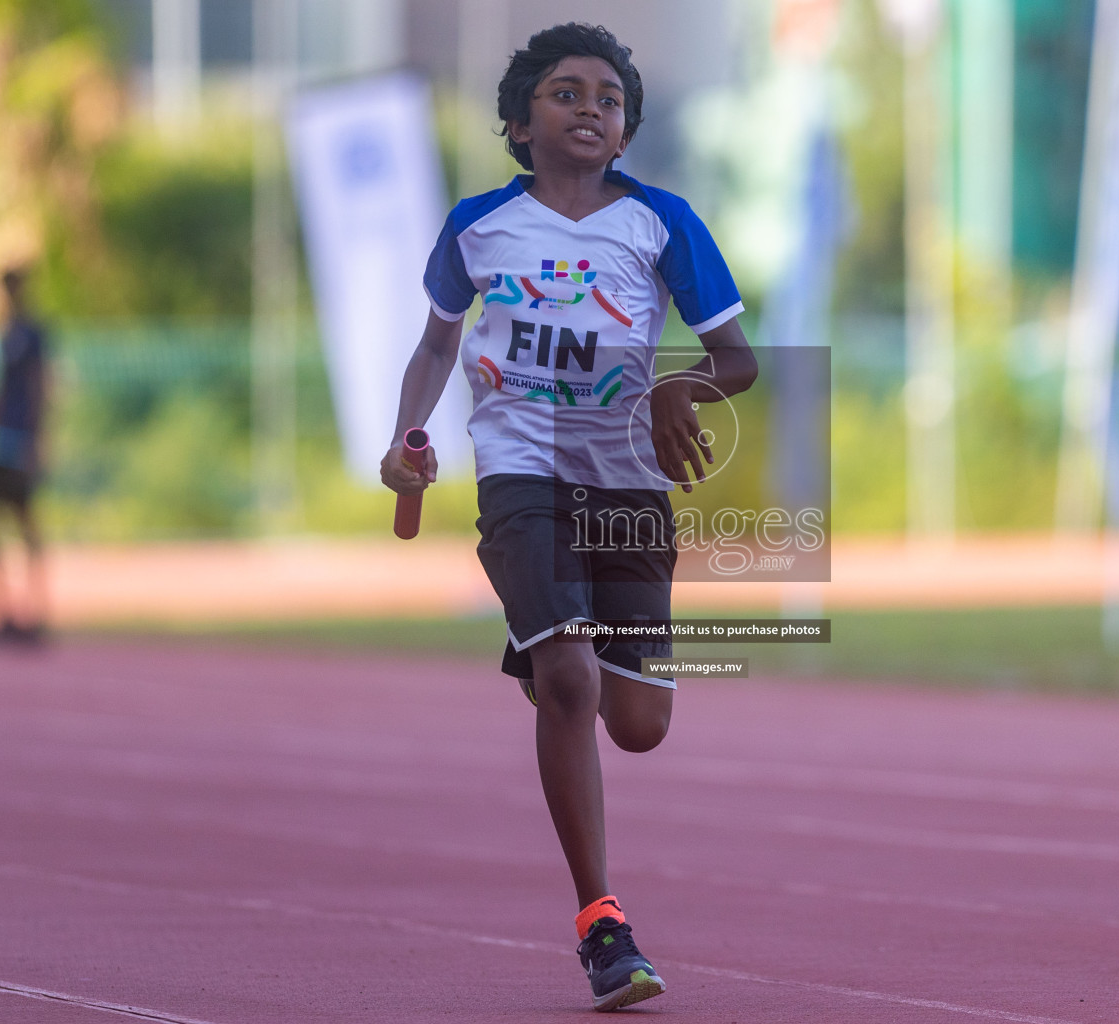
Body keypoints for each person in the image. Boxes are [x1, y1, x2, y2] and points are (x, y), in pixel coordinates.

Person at [381, 23, 756, 1012]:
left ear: (625, 131)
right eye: (565, 93)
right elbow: (434, 346)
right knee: (571, 681)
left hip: (630, 483)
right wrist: (407, 432)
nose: (590, 108)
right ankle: (602, 923)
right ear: (517, 121)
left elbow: (739, 359)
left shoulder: (664, 222)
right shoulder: (476, 226)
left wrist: (681, 388)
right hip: (521, 474)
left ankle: (550, 653)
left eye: (608, 99)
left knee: (638, 723)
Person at [0, 266, 50, 644]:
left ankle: (35, 612)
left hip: (19, 439)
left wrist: (39, 439)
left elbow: (42, 385)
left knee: (24, 520)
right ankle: (5, 612)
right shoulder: (0, 336)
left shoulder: (33, 334)